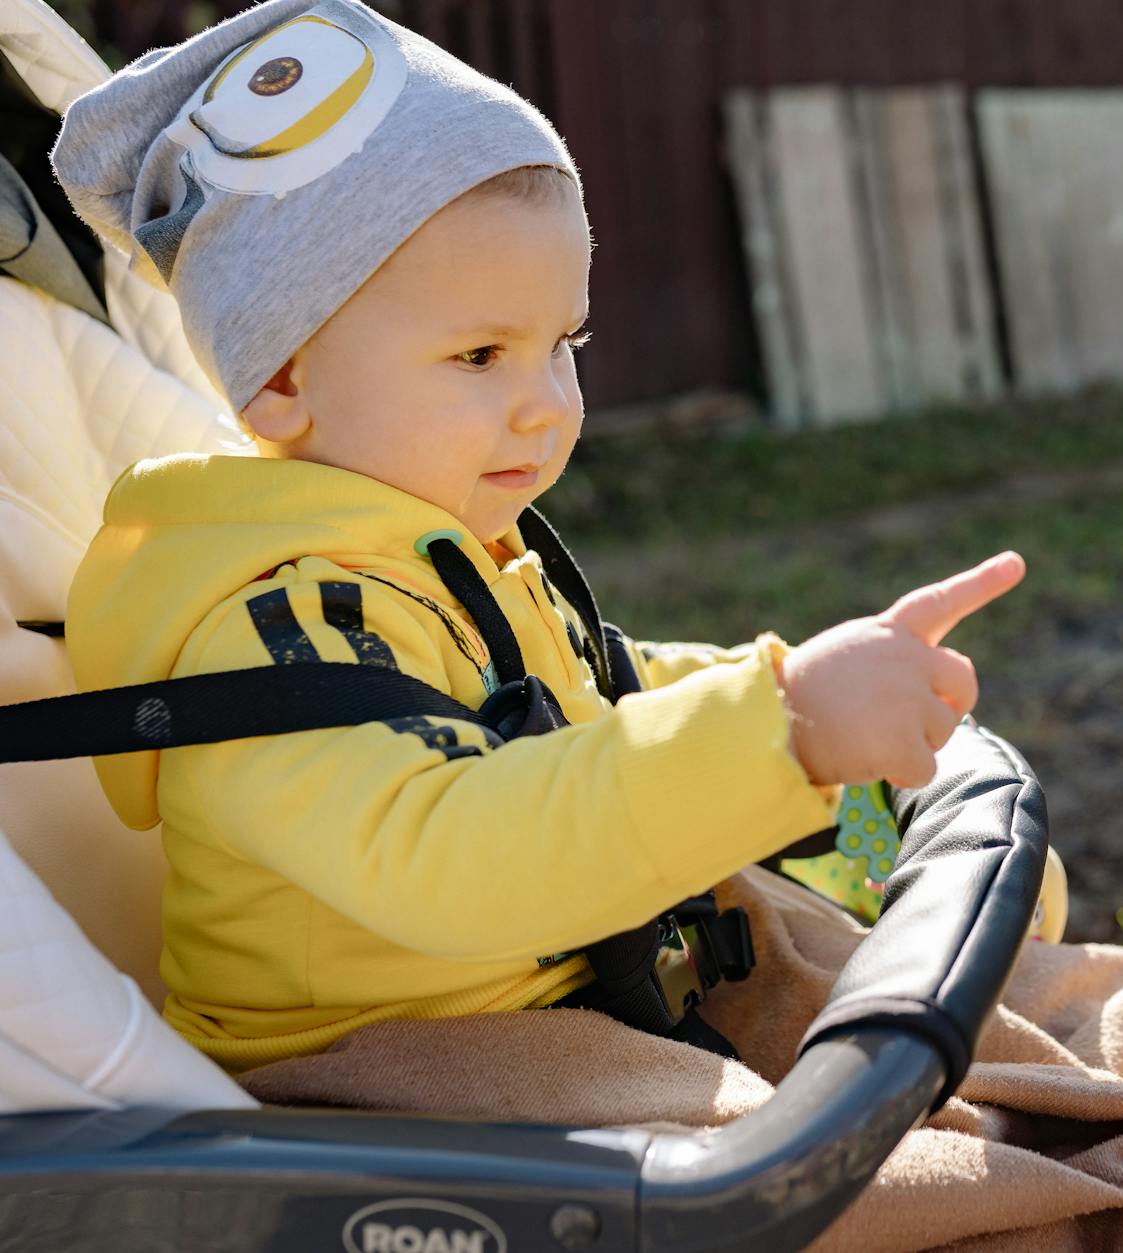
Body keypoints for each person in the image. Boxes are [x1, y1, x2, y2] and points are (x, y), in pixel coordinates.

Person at [51, 0, 1024, 1072]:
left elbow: (605, 698)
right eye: (480, 356)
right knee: (935, 1159)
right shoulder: (279, 636)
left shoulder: (455, 557)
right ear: (282, 379)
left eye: (563, 342)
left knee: (1018, 1039)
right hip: (386, 1079)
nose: (545, 405)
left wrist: (843, 739)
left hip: (569, 997)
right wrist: (780, 726)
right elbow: (460, 857)